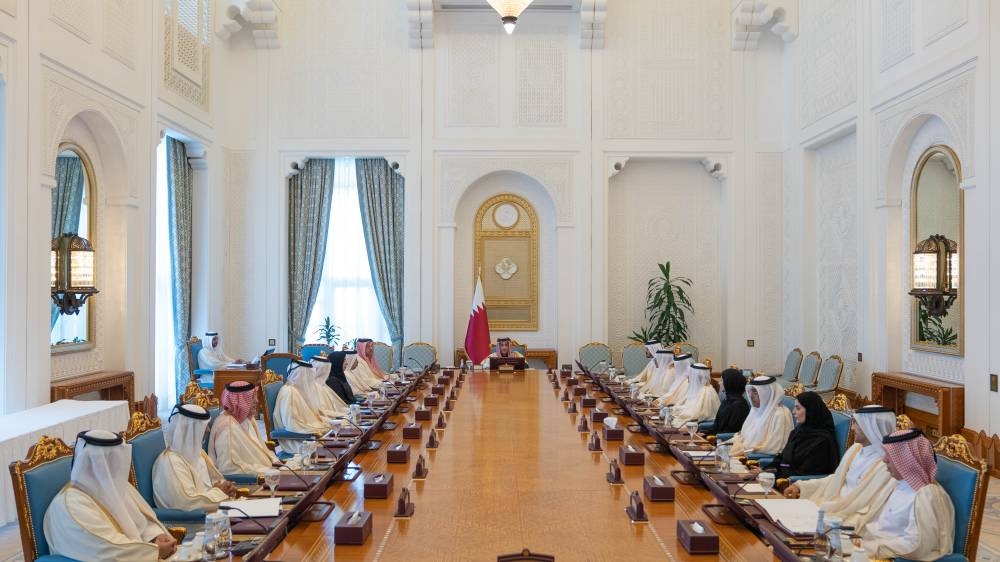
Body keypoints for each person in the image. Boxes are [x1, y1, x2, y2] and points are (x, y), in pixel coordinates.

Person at [44, 430, 177, 561]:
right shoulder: (71, 505)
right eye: (107, 462)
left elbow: (142, 522)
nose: (114, 468)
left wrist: (155, 536)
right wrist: (154, 551)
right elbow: (108, 550)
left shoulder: (117, 487)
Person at [783, 405, 897, 531]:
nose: (852, 428)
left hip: (849, 514)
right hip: (834, 503)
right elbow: (836, 479)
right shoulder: (856, 449)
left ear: (871, 427)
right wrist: (801, 486)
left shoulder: (886, 465)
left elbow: (870, 506)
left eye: (856, 423)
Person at [860, 429, 954, 561]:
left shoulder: (926, 496)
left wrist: (872, 547)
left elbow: (915, 545)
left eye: (890, 455)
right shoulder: (899, 483)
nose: (884, 460)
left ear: (908, 460)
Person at [153, 404, 237, 512]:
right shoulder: (171, 463)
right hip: (193, 522)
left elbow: (216, 481)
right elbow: (187, 502)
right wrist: (219, 492)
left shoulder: (199, 453)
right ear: (190, 430)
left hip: (213, 510)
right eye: (204, 426)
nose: (208, 430)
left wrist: (226, 487)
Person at [760, 391, 839, 478]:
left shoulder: (821, 441)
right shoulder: (798, 431)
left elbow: (805, 474)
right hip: (780, 478)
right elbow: (783, 460)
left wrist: (771, 474)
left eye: (798, 408)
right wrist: (764, 470)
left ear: (810, 411)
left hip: (796, 486)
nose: (793, 412)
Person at [207, 381, 280, 475]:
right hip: (251, 482)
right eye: (252, 397)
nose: (257, 401)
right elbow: (230, 467)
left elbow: (262, 448)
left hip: (268, 472)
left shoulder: (248, 418)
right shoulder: (227, 429)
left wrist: (275, 461)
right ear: (239, 401)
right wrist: (267, 472)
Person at [725, 375, 793, 456]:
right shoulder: (756, 411)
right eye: (750, 391)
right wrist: (722, 445)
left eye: (755, 392)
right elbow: (742, 438)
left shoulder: (780, 414)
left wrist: (741, 453)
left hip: (757, 461)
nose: (750, 396)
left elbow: (773, 448)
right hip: (743, 454)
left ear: (767, 393)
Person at [272, 360, 332, 451]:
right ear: (302, 376)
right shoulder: (290, 393)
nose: (311, 380)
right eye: (309, 376)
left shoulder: (298, 390)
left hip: (308, 434)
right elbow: (293, 425)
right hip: (298, 440)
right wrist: (317, 429)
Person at [708, 369, 750, 435]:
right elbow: (716, 426)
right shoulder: (727, 400)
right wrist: (704, 434)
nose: (719, 383)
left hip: (724, 442)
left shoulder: (739, 405)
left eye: (721, 380)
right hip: (715, 438)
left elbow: (731, 431)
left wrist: (711, 437)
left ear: (729, 382)